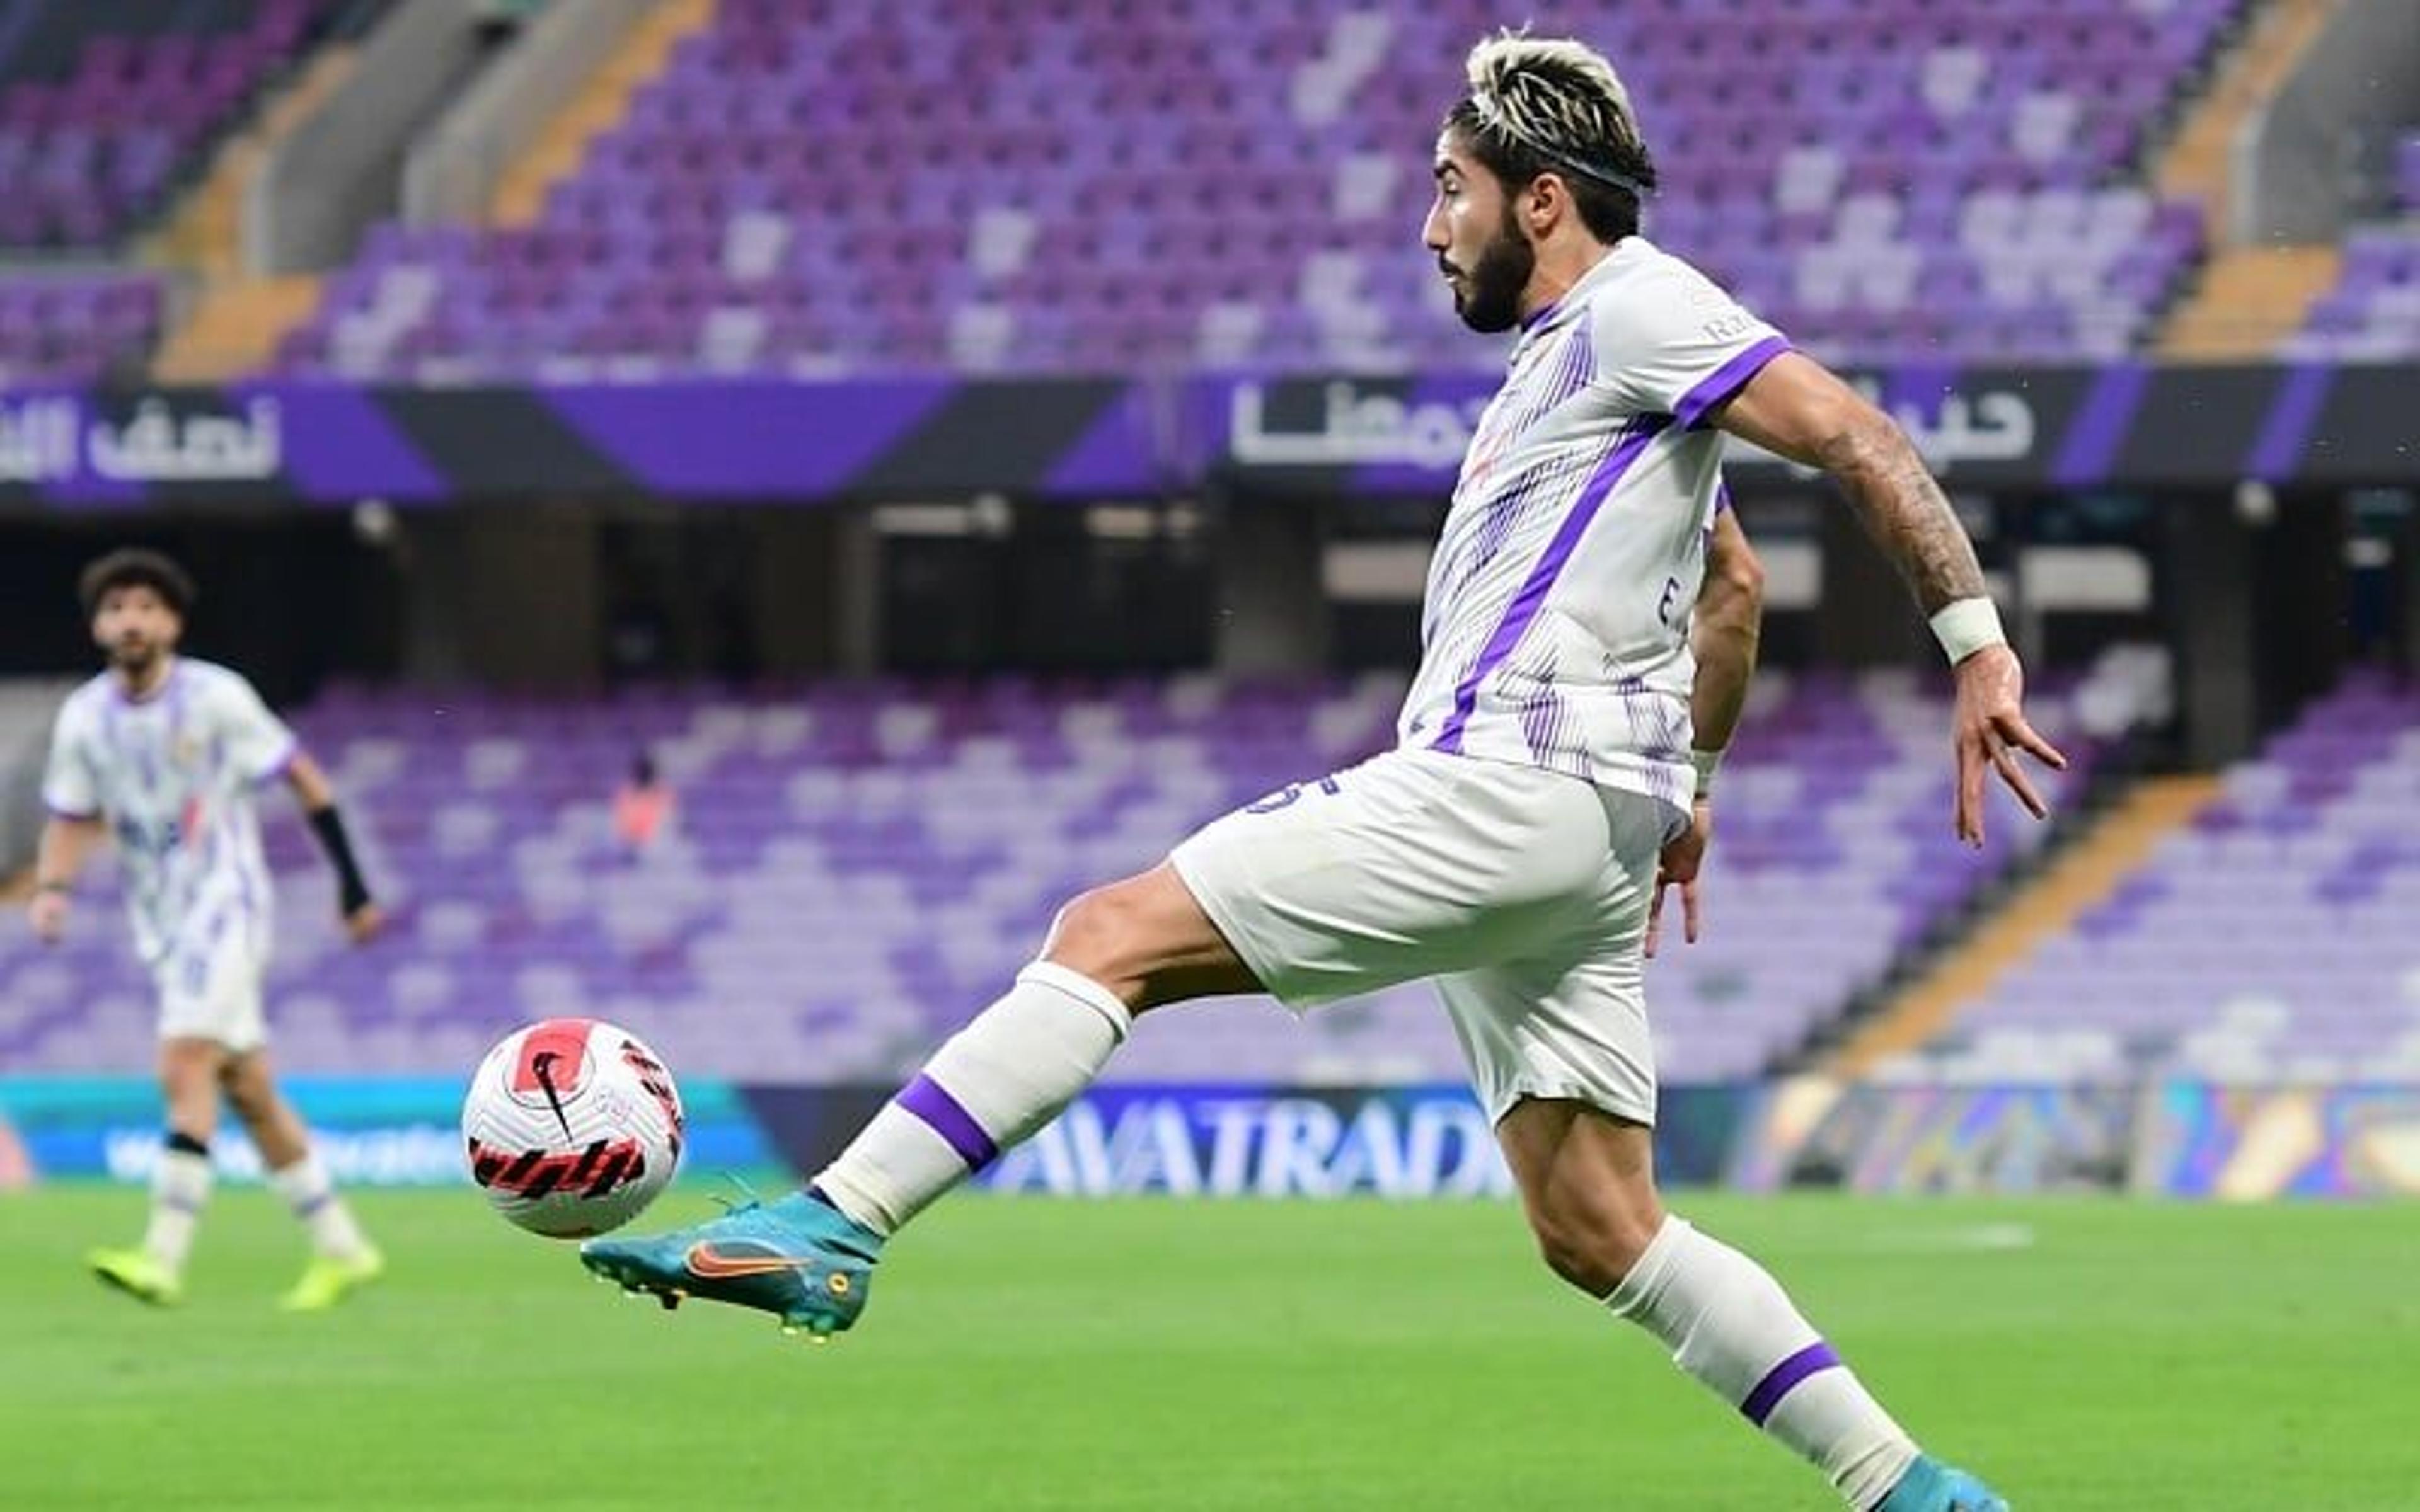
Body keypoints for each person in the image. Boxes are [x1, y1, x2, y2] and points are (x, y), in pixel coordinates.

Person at [581, 32, 2062, 1512]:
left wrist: (1975, 646)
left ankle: (836, 1220)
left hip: (1506, 788)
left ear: (1541, 201)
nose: (1431, 228)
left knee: (1109, 933)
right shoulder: (1581, 370)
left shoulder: (1639, 311)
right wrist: (1693, 787)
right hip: (1590, 828)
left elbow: (1850, 430)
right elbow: (1728, 584)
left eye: (1449, 191)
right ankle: (1911, 1486)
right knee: (1598, 1223)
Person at [30, 548, 389, 1311]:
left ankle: (162, 1257)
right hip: (159, 921)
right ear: (99, 624)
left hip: (227, 903)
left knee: (184, 1060)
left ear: (173, 622)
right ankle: (344, 1249)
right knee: (250, 1091)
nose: (132, 620)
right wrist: (54, 889)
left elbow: (306, 779)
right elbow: (69, 816)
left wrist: (352, 884)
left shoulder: (217, 699)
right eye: (118, 607)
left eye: (147, 607)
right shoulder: (85, 719)